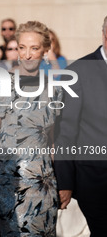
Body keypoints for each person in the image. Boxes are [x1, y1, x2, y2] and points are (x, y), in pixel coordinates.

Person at [0, 21, 62, 236]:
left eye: (34, 48)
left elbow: (52, 140)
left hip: (44, 185)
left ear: (45, 51)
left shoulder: (54, 89)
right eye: (21, 47)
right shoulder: (0, 86)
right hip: (9, 184)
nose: (27, 54)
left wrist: (62, 182)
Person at [54, 16, 107, 236]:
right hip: (96, 181)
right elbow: (66, 131)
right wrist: (64, 181)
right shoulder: (79, 72)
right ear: (105, 33)